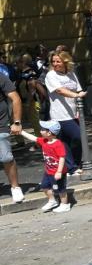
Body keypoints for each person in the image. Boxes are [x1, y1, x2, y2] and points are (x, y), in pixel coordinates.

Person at [44, 51, 86, 175]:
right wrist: (77, 95)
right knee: (76, 136)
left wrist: (79, 106)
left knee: (72, 140)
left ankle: (74, 165)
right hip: (60, 114)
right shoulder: (51, 75)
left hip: (74, 112)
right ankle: (71, 167)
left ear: (65, 62)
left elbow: (79, 89)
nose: (55, 64)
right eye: (53, 61)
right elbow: (60, 90)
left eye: (58, 61)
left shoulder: (71, 74)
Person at [19, 120, 71, 213]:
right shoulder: (44, 141)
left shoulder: (58, 144)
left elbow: (62, 158)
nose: (40, 131)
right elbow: (33, 138)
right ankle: (52, 201)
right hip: (48, 171)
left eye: (43, 129)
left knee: (61, 189)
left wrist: (59, 172)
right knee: (44, 186)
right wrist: (21, 132)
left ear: (49, 132)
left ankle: (65, 205)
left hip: (58, 172)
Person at [1, 72, 25, 203]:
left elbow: (15, 98)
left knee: (6, 157)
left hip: (1, 124)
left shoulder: (0, 77)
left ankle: (15, 187)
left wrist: (17, 122)